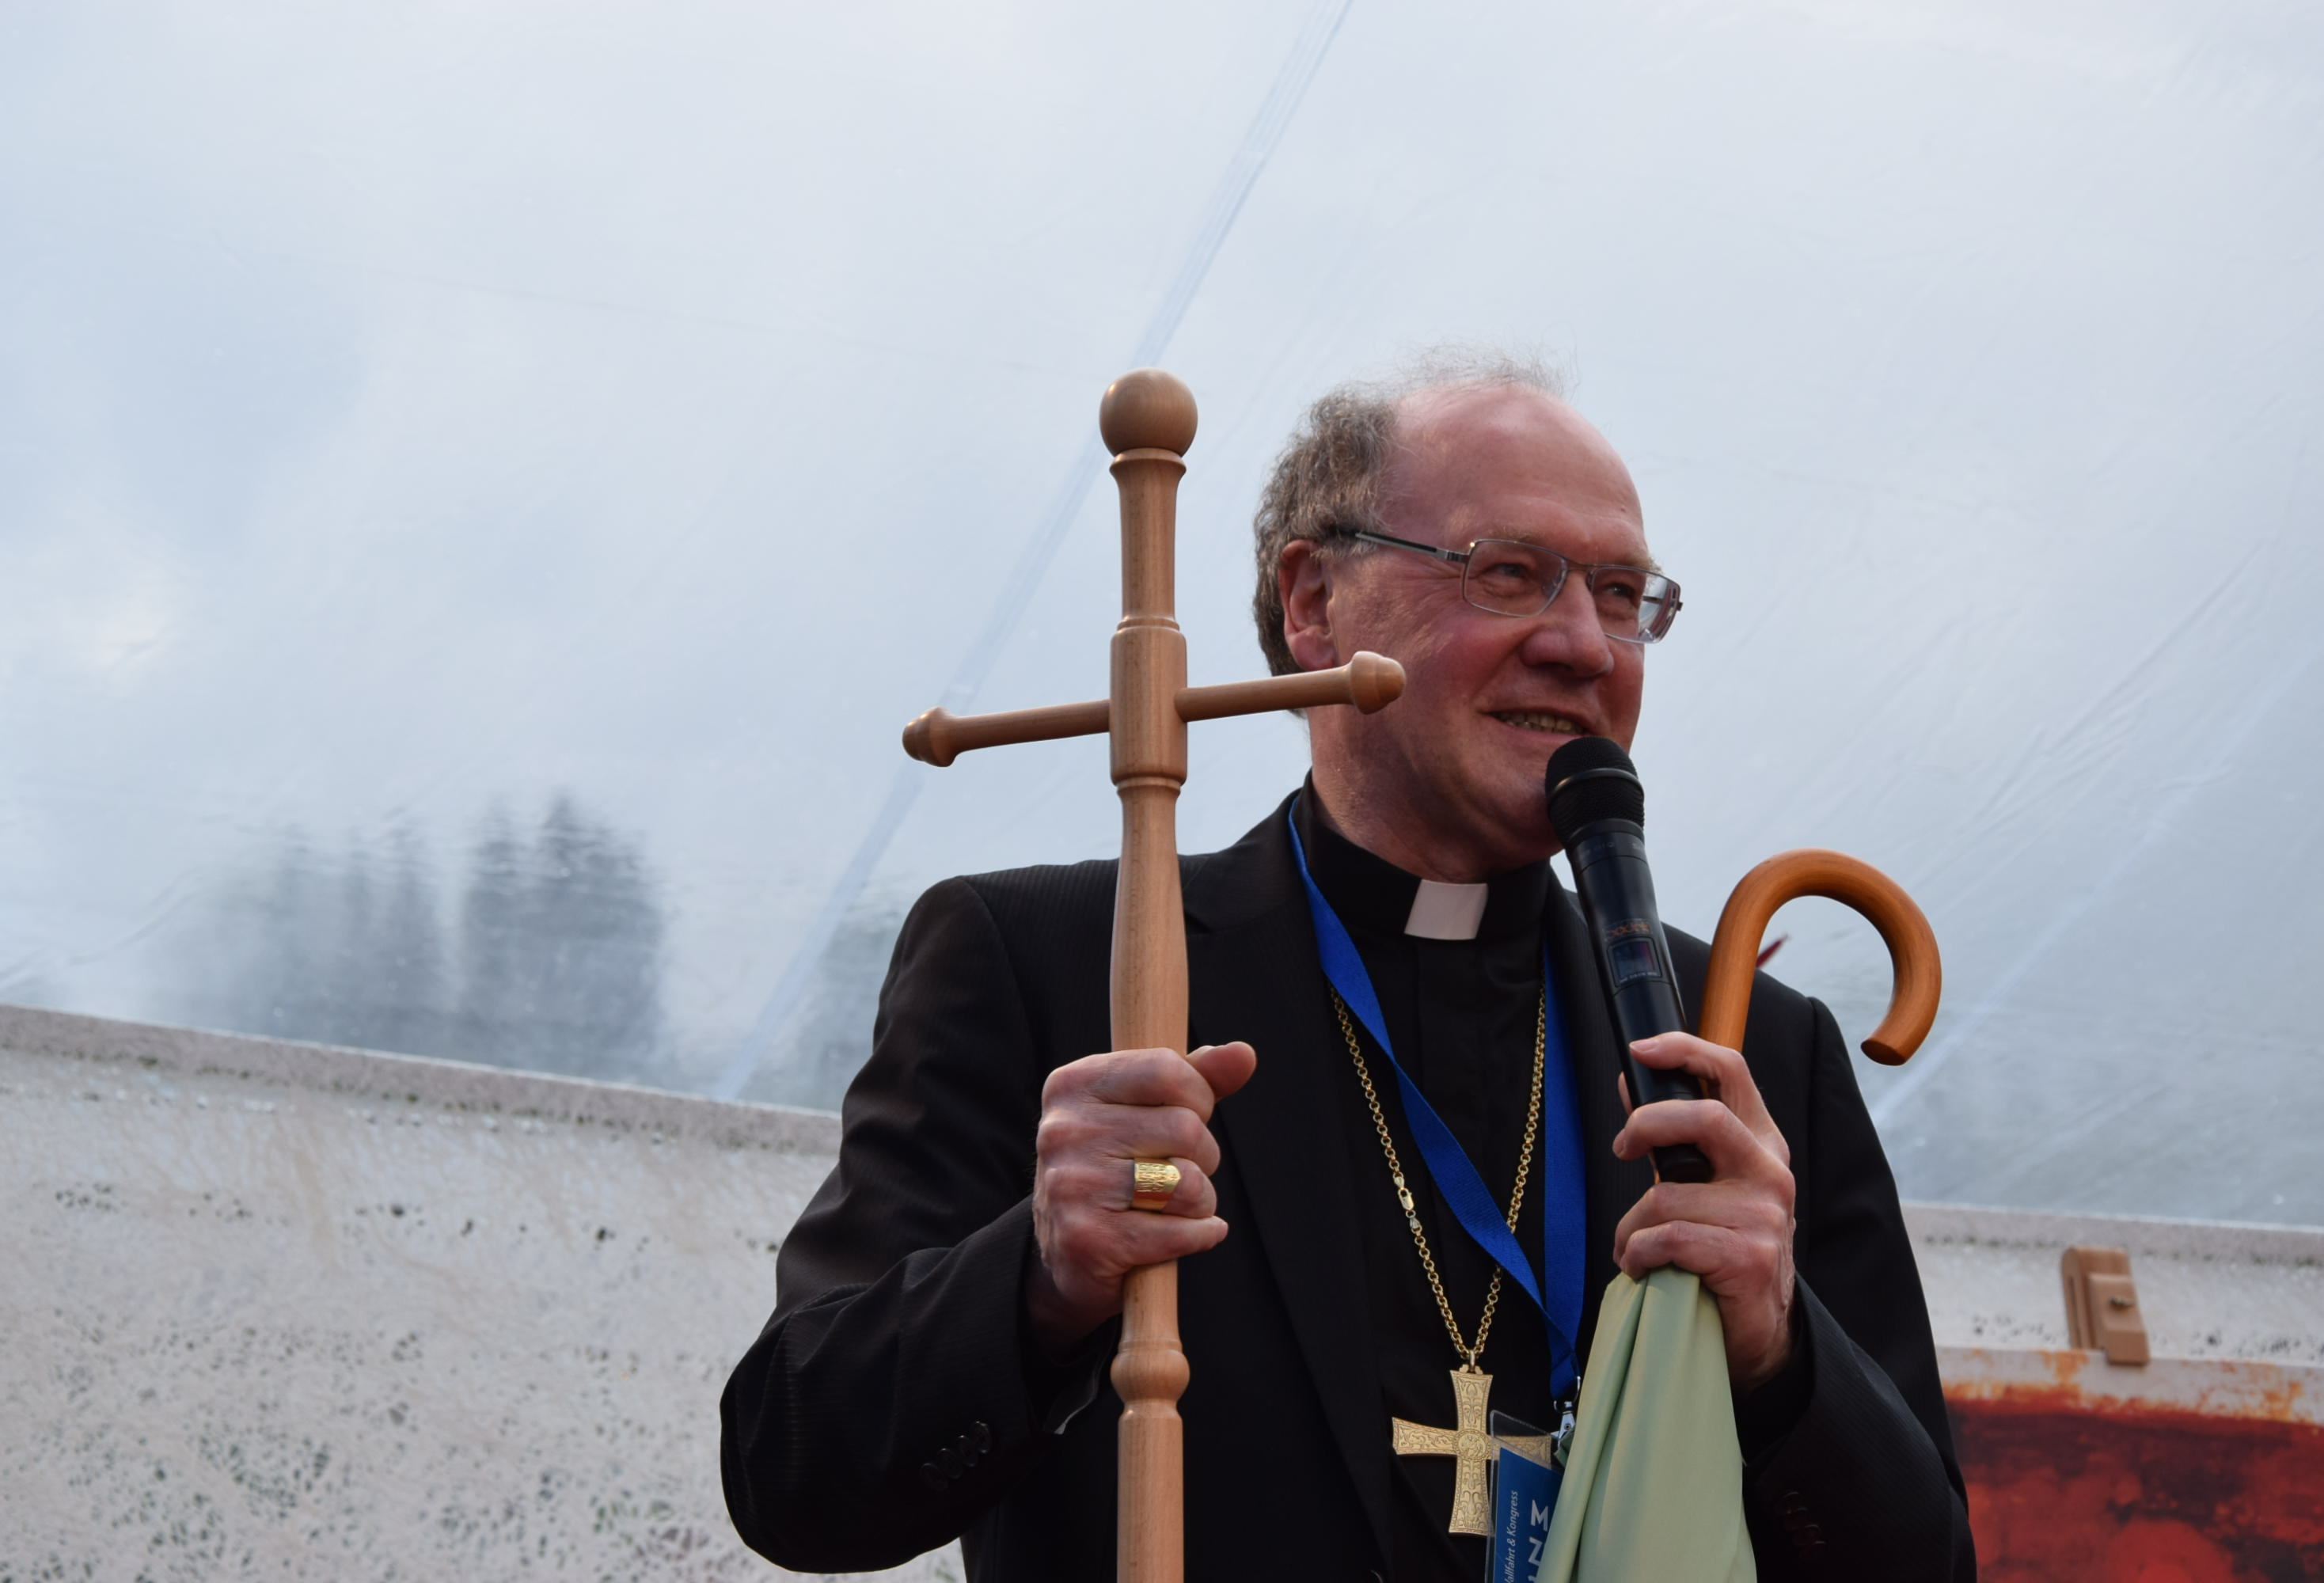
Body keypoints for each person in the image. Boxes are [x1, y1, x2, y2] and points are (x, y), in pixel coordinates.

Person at [720, 355, 1974, 1581]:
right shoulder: (1049, 964)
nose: (1586, 645)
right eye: (1510, 573)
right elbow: (793, 1472)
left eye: (1622, 592)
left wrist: (1780, 1350)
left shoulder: (1750, 1048)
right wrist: (1038, 1278)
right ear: (1313, 600)